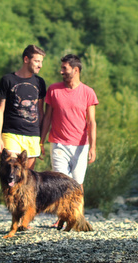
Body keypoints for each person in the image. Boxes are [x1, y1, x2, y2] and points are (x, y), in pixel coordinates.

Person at [41, 54, 98, 184]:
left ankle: (79, 206)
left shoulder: (88, 92)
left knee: (77, 185)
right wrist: (41, 142)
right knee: (61, 184)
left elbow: (91, 122)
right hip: (58, 144)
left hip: (81, 146)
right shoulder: (53, 90)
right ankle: (62, 205)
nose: (61, 72)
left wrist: (93, 147)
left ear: (75, 70)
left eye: (64, 68)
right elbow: (47, 118)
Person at [0, 45, 47, 169]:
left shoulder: (40, 82)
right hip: (11, 134)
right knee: (11, 172)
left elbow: (40, 111)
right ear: (26, 59)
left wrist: (41, 141)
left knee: (27, 179)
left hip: (33, 136)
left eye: (41, 62)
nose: (40, 65)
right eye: (37, 61)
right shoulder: (7, 80)